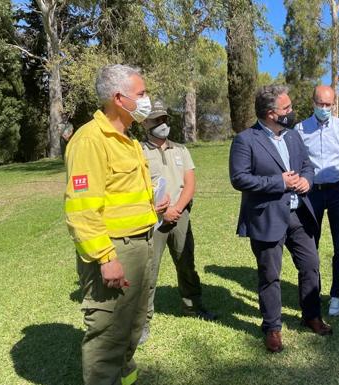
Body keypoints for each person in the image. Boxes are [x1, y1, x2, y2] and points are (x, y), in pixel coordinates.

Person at [64, 64, 169, 385]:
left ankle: (125, 376)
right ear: (119, 98)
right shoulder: (90, 141)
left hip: (142, 243)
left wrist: (152, 206)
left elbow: (118, 194)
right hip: (114, 249)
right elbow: (81, 209)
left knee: (133, 322)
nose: (147, 99)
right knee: (108, 330)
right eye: (141, 94)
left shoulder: (127, 140)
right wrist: (106, 259)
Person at [229, 84, 332, 353]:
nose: (292, 111)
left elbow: (307, 166)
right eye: (286, 108)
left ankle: (311, 315)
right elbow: (239, 178)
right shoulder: (245, 140)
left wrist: (307, 182)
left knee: (311, 265)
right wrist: (279, 182)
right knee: (270, 275)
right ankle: (272, 327)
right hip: (267, 217)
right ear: (270, 113)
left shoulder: (292, 136)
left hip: (298, 214)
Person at [139, 100, 216, 345]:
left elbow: (190, 183)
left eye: (164, 119)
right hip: (152, 219)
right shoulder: (137, 151)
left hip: (180, 216)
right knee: (148, 272)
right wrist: (160, 211)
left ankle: (193, 306)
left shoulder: (181, 150)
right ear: (145, 123)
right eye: (156, 120)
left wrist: (177, 209)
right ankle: (142, 323)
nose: (162, 124)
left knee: (186, 263)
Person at [294, 85, 339, 317]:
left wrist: (336, 178)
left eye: (329, 104)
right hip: (311, 193)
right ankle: (313, 291)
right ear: (313, 103)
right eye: (321, 104)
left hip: (338, 190)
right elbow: (298, 161)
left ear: (334, 104)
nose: (324, 108)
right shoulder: (300, 129)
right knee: (310, 245)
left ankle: (337, 295)